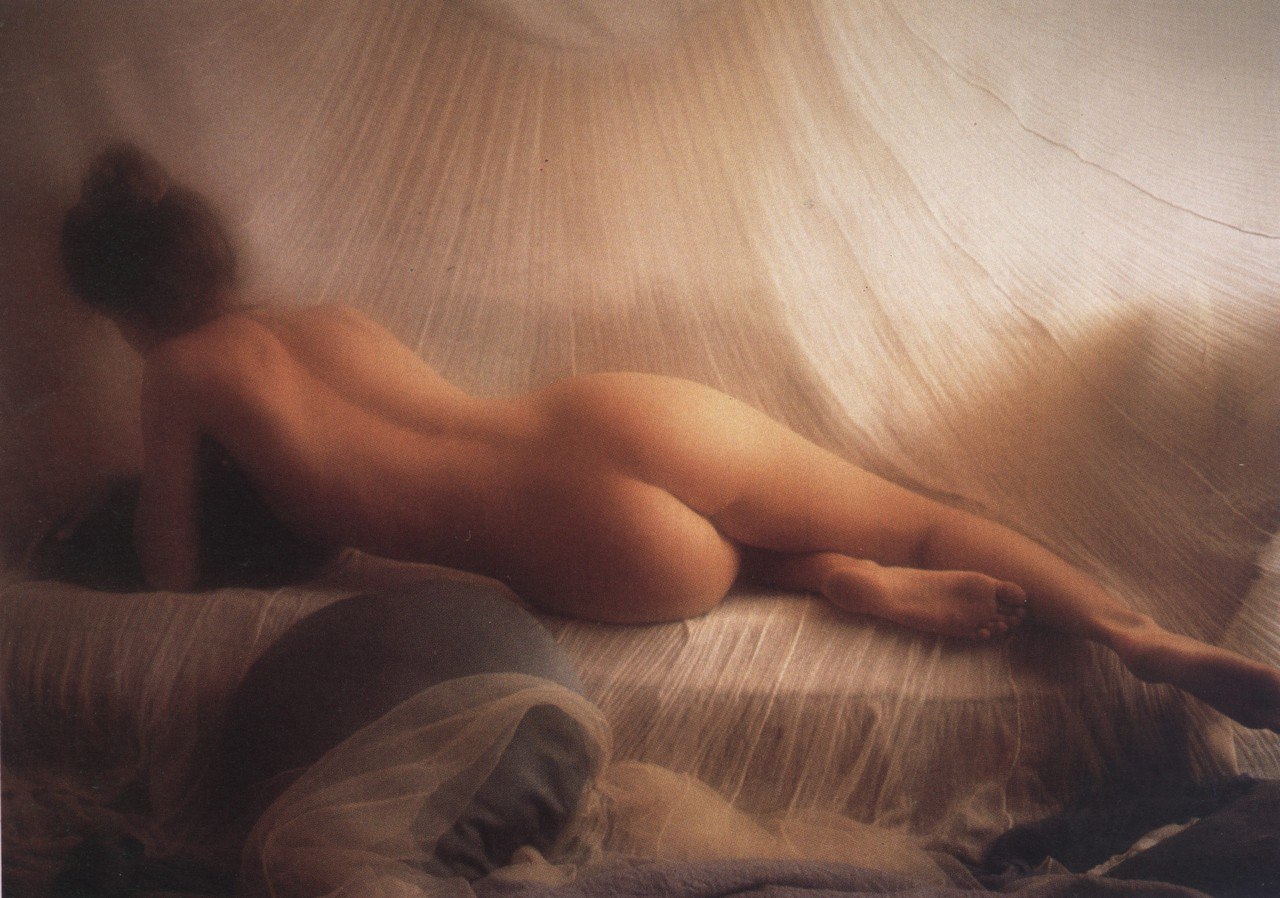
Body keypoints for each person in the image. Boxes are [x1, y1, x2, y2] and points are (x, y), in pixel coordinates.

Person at [60, 143, 1280, 731]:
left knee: (717, 563)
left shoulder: (179, 372)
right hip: (610, 411)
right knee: (915, 517)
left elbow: (170, 571)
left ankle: (823, 577)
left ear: (120, 304)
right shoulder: (325, 319)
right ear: (209, 251)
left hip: (565, 534)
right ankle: (1134, 633)